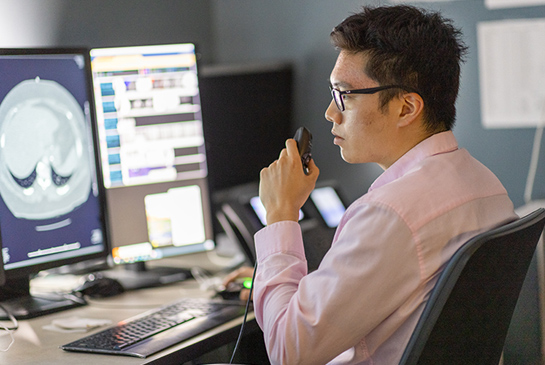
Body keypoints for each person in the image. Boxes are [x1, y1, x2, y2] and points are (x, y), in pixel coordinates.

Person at [225, 5, 517, 364]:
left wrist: (281, 214)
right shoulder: (485, 184)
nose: (331, 114)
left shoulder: (388, 213)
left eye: (343, 96)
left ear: (406, 108)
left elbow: (289, 352)